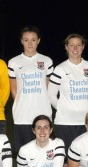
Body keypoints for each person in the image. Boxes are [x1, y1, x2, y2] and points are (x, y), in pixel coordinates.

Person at [48, 33, 88, 167]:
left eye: (78, 45)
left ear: (83, 47)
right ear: (66, 47)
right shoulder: (60, 69)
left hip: (87, 122)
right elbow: (51, 95)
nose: (75, 48)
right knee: (66, 161)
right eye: (71, 45)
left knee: (86, 157)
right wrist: (64, 108)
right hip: (65, 122)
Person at [8, 25, 54, 153]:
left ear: (38, 41)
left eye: (33, 40)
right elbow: (14, 89)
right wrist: (23, 104)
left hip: (43, 113)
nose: (30, 43)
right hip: (22, 115)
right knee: (23, 153)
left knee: (44, 153)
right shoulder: (13, 62)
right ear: (21, 41)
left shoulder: (46, 61)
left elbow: (48, 87)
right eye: (26, 40)